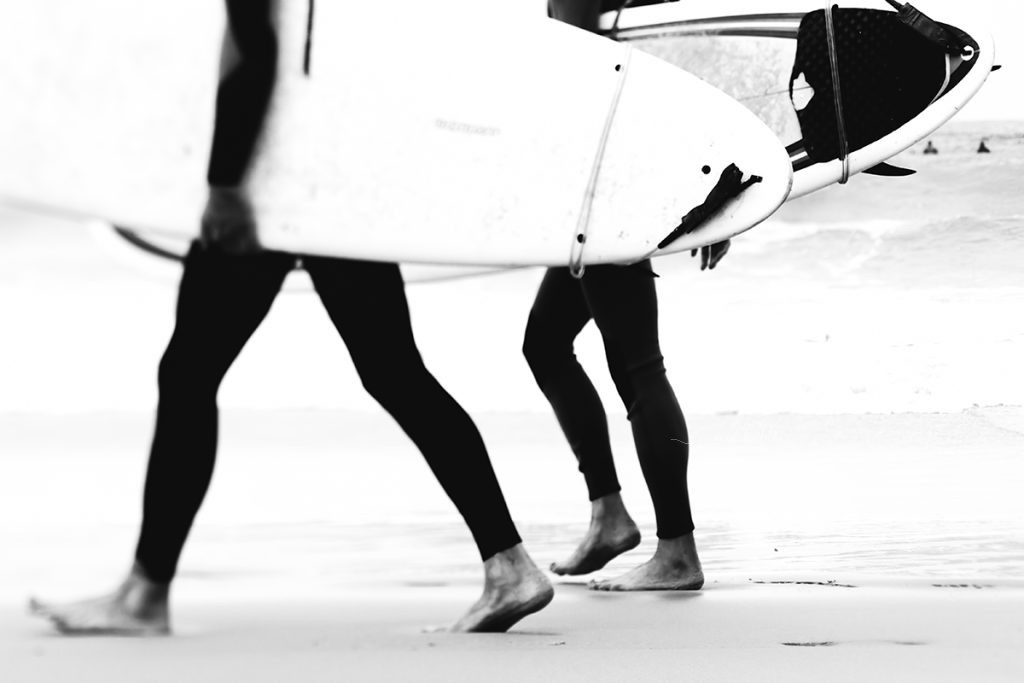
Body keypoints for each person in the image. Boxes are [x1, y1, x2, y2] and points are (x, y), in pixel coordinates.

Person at [29, 0, 552, 635]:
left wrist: (225, 183)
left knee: (189, 373)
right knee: (393, 372)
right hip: (337, 175)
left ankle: (143, 597)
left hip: (277, 184)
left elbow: (255, 49)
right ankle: (510, 565)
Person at [522, 0, 727, 591]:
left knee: (638, 369)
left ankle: (678, 553)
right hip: (602, 190)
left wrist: (711, 188)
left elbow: (603, 84)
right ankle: (610, 516)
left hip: (610, 191)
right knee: (546, 345)